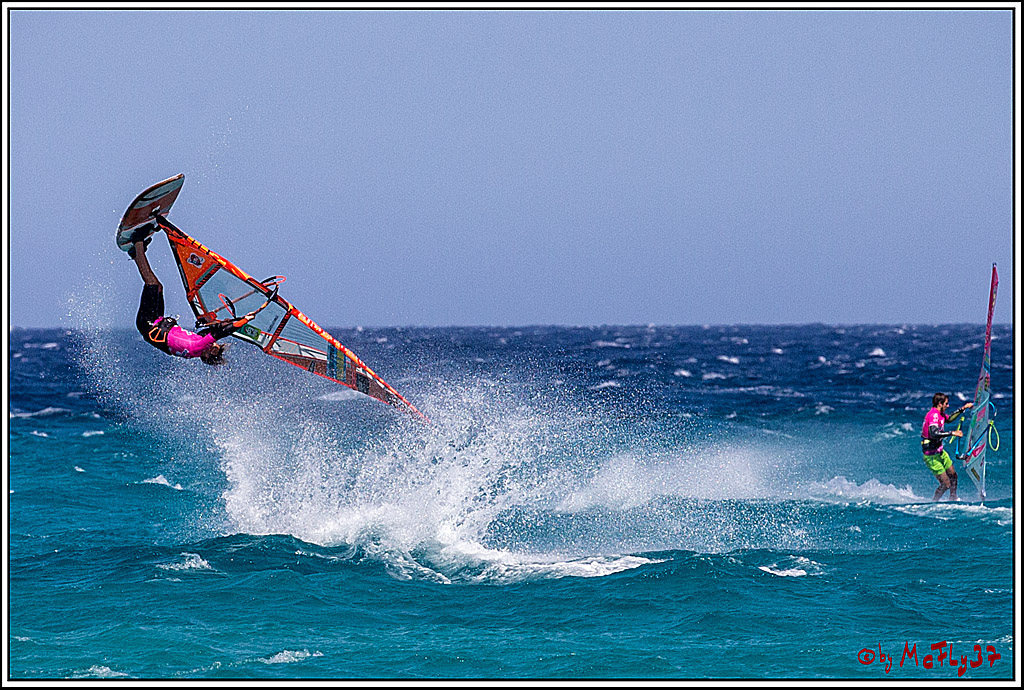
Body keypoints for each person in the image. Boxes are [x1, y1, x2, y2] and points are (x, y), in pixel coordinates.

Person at [131, 236, 270, 364]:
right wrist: (224, 323)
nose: (214, 346)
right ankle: (137, 254)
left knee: (152, 284)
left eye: (214, 350)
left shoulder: (197, 348)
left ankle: (137, 244)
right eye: (217, 348)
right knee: (159, 287)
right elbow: (212, 331)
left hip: (148, 324)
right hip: (155, 322)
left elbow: (220, 333)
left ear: (205, 356)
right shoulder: (197, 346)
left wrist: (245, 320)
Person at [921, 393, 973, 501]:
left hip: (940, 452)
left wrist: (963, 408)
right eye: (946, 404)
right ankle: (934, 502)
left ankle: (953, 498)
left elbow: (949, 419)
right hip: (931, 456)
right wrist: (952, 433)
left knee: (953, 475)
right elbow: (934, 433)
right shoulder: (933, 415)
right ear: (940, 404)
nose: (948, 406)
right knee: (946, 484)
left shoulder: (940, 414)